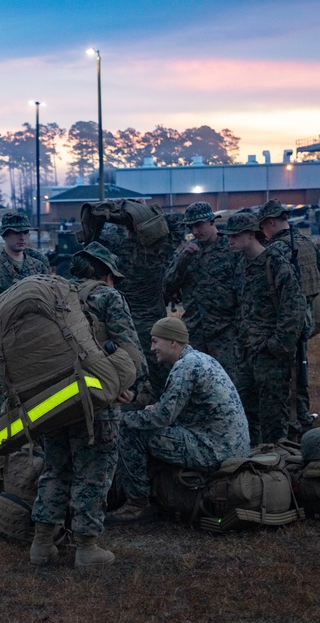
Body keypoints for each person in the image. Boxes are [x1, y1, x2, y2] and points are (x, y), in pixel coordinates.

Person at [29, 242, 144, 567]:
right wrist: (131, 385)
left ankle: (42, 543)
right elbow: (130, 348)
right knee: (93, 470)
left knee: (56, 467)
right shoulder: (108, 297)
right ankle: (87, 546)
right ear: (106, 273)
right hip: (96, 398)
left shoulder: (53, 297)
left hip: (52, 398)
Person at [108, 317, 250, 523]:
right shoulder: (200, 359)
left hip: (214, 451)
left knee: (131, 431)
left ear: (173, 342)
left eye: (156, 341)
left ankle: (137, 504)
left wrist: (121, 419)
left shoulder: (185, 367)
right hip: (230, 447)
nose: (152, 347)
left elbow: (161, 417)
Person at [226, 210, 307, 446]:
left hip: (270, 357)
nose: (229, 240)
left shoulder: (275, 264)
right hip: (245, 353)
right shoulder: (241, 265)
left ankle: (278, 467)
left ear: (251, 235)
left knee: (273, 419)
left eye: (234, 236)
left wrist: (277, 346)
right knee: (245, 413)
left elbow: (294, 309)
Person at [0, 210, 50, 422]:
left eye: (25, 232)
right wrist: (2, 319)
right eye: (15, 233)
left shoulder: (38, 267)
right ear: (4, 235)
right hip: (2, 346)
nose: (22, 237)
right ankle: (0, 451)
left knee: (38, 400)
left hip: (34, 344)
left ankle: (35, 449)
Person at [98, 214, 182, 405]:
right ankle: (161, 413)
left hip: (125, 327)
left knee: (130, 375)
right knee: (160, 377)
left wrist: (121, 215)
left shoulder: (117, 253)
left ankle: (134, 415)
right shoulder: (157, 252)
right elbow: (178, 224)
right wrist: (145, 212)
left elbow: (99, 236)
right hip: (154, 327)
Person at [257, 199, 320, 432]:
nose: (263, 234)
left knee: (288, 374)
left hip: (285, 320)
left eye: (263, 227)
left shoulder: (276, 250)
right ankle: (303, 414)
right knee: (301, 367)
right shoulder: (308, 243)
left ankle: (293, 420)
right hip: (305, 315)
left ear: (271, 222)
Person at [162, 202, 240, 382]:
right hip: (195, 330)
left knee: (228, 381)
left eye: (199, 225)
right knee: (197, 382)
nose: (195, 231)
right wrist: (183, 262)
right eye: (191, 227)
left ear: (212, 221)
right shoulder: (187, 252)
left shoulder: (230, 248)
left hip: (225, 330)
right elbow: (167, 287)